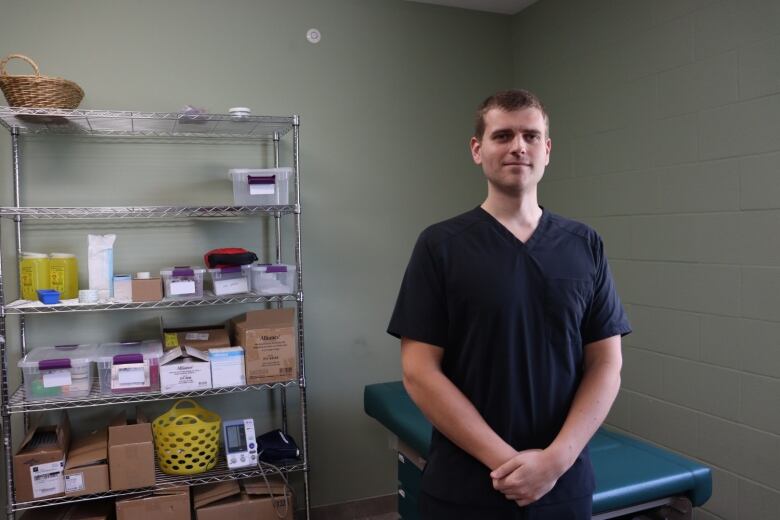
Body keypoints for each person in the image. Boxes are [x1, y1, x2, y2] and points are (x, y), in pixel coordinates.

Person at [387, 89, 631, 519]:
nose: (519, 146)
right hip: (467, 483)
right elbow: (419, 372)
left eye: (531, 136)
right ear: (478, 150)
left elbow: (606, 364)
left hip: (562, 481)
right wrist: (507, 463)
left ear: (547, 149)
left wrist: (555, 461)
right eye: (503, 136)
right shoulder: (440, 245)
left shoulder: (584, 244)